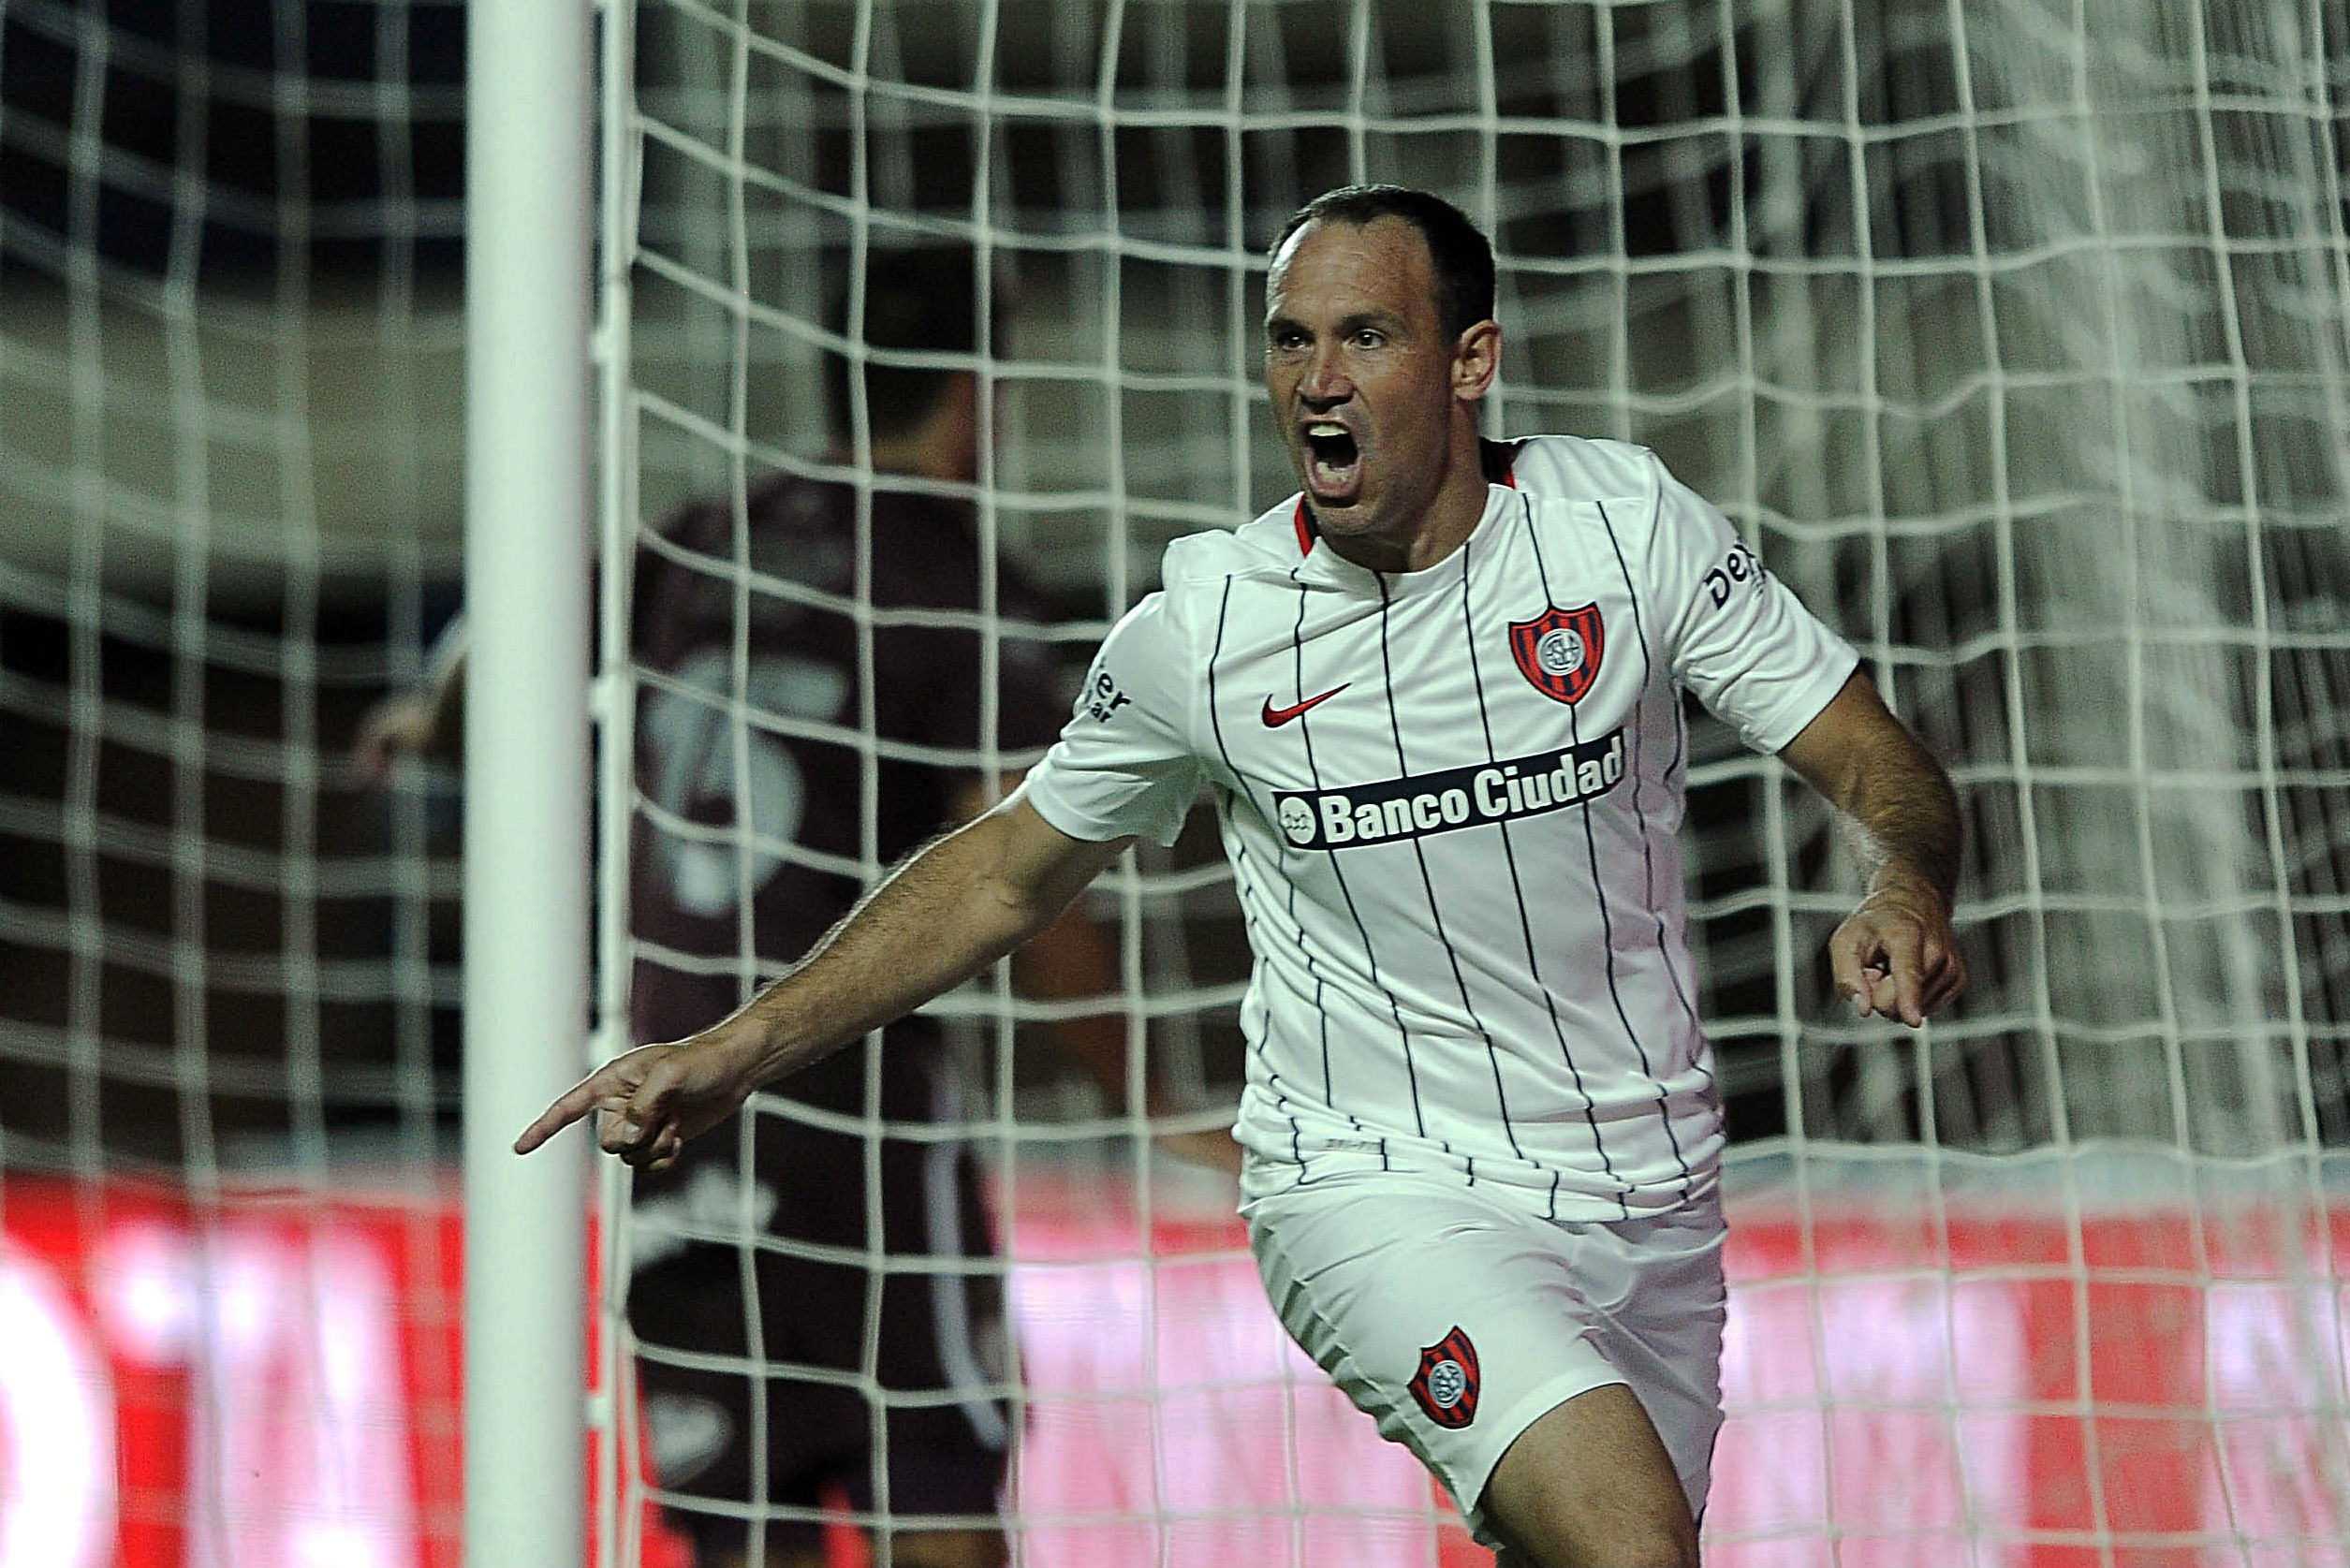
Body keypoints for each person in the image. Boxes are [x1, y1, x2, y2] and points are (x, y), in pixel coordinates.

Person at [518, 186, 1966, 1568]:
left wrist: (1901, 879)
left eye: (1365, 336)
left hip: (1647, 1193)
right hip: (1374, 1188)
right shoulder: (1206, 629)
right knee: (1630, 1542)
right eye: (1289, 339)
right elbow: (1008, 872)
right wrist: (742, 1045)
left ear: (1470, 362)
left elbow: (1871, 761)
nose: (1315, 379)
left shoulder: (1622, 527)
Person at [372, 249, 1224, 1568]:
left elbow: (503, 642)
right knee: (937, 1491)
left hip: (663, 1123)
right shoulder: (954, 576)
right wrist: (1147, 1097)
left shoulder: (713, 529)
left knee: (744, 1532)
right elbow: (1022, 874)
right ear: (978, 393)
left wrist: (430, 725)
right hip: (846, 1127)